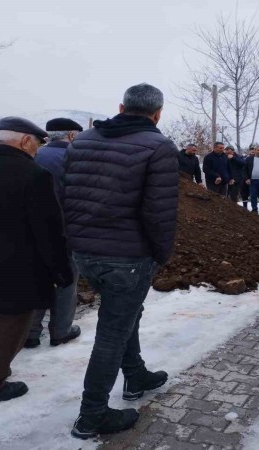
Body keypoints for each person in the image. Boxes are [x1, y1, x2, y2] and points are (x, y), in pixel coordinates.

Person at [64, 83, 178, 439]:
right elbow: (159, 212)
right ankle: (92, 414)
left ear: (121, 107)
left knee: (126, 315)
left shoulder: (82, 141)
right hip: (127, 257)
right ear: (157, 114)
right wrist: (160, 254)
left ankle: (136, 375)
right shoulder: (159, 147)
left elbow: (68, 195)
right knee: (112, 332)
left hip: (85, 253)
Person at [0, 117, 73, 408]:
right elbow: (49, 230)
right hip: (20, 267)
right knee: (11, 324)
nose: (37, 150)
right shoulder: (33, 174)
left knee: (0, 317)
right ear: (24, 140)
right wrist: (61, 271)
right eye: (36, 143)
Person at [24, 118, 84, 349]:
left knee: (38, 279)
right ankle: (61, 330)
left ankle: (30, 332)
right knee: (66, 280)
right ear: (71, 136)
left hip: (33, 231)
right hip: (65, 231)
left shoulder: (33, 156)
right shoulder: (75, 158)